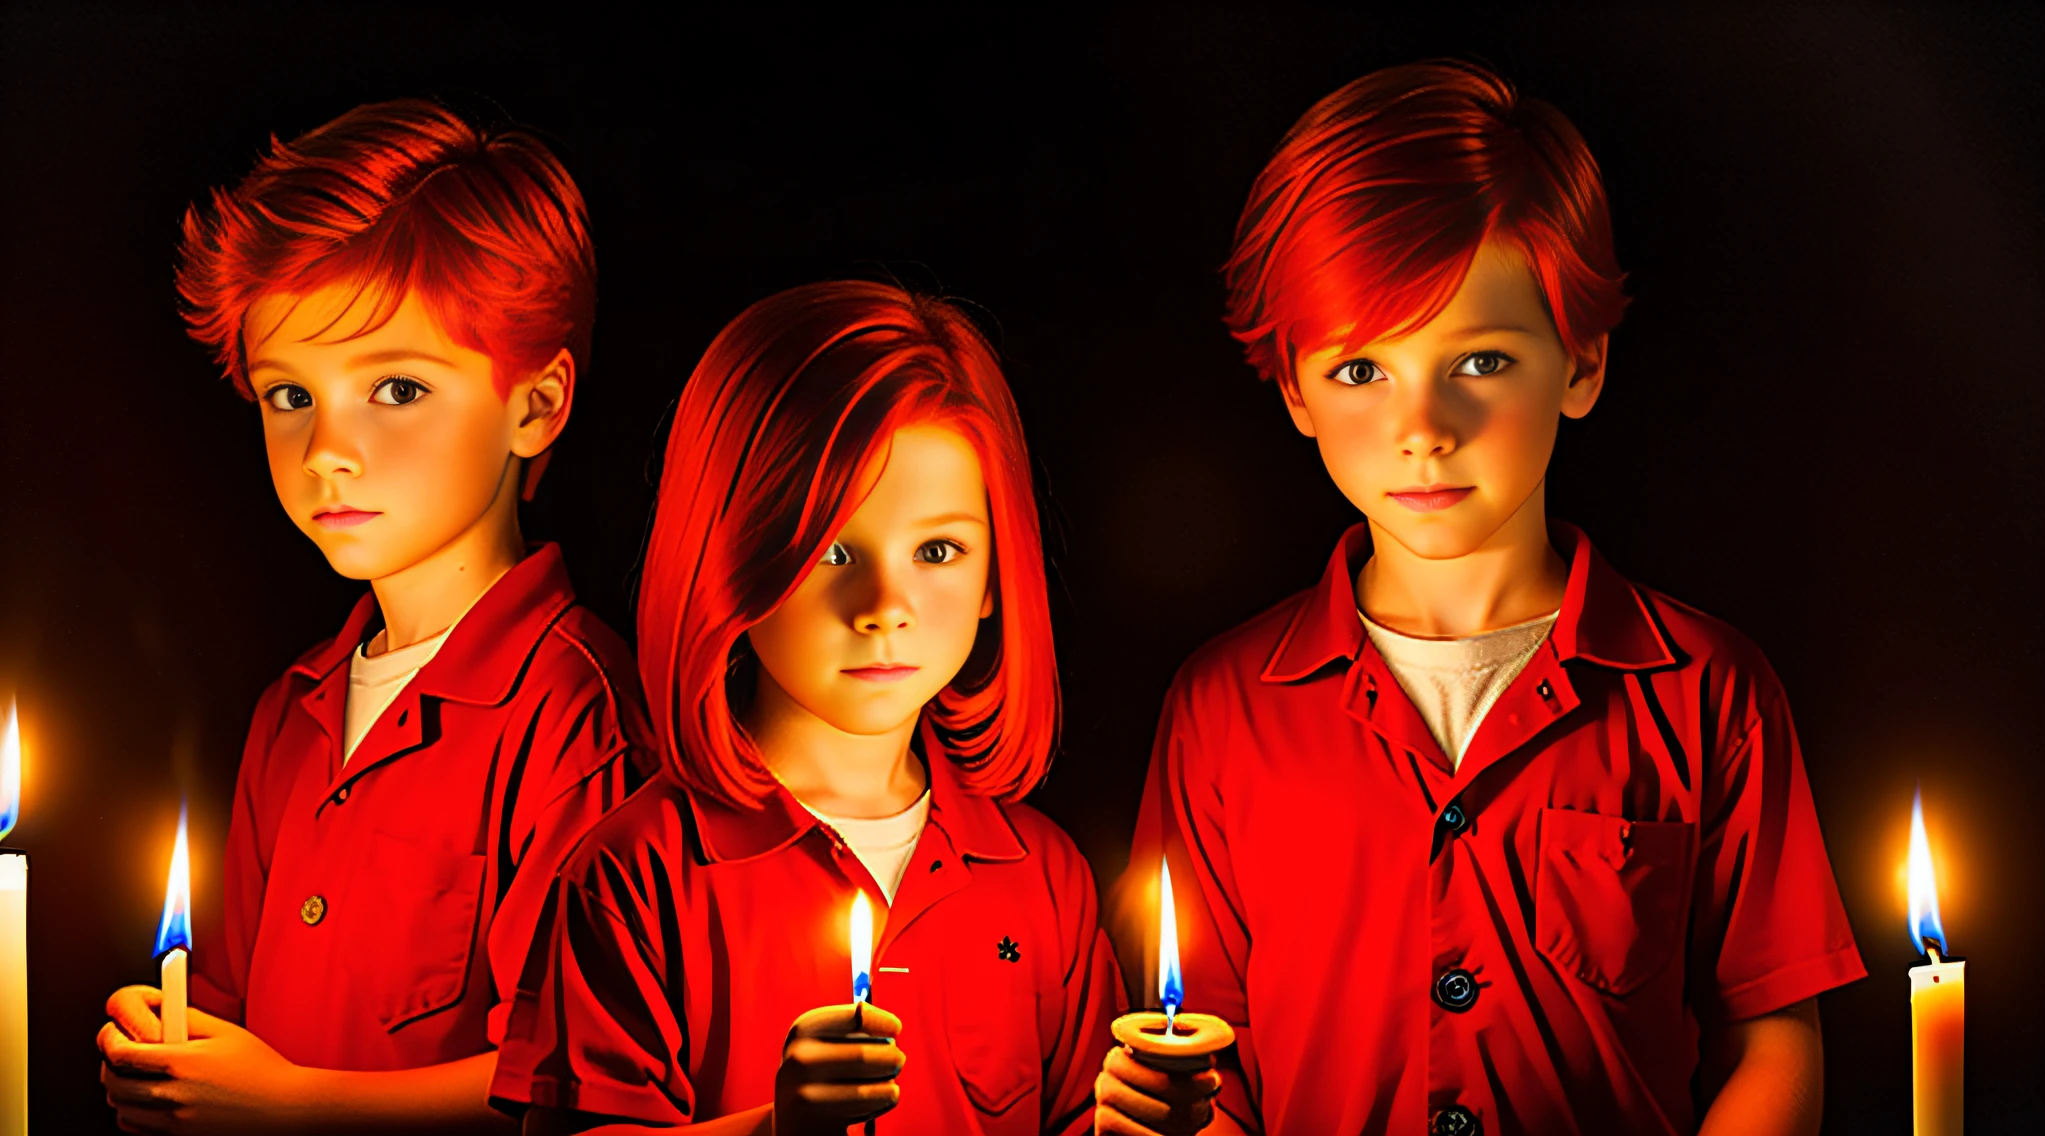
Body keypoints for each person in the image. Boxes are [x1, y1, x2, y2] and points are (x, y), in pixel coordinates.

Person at [1095, 61, 1865, 1136]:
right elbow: (1200, 1053)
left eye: (1482, 360)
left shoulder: (1710, 693)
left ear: (1581, 362)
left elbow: (1770, 1040)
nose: (1423, 427)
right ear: (1291, 389)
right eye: (1362, 370)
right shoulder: (1222, 709)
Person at [96, 99, 653, 1133]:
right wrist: (180, 1048)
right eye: (287, 395)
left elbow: (580, 1088)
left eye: (395, 387)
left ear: (535, 404)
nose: (326, 450)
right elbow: (233, 1006)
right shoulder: (290, 713)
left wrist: (293, 1104)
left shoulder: (579, 718)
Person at [488, 280, 1123, 1135]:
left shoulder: (1043, 879)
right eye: (831, 548)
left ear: (995, 576)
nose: (885, 605)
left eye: (938, 549)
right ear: (729, 558)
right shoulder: (632, 877)